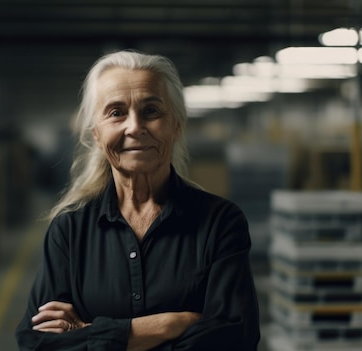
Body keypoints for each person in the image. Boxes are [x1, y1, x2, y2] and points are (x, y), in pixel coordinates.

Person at [16, 50, 260, 350]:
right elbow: (35, 342)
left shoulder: (220, 222)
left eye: (151, 111)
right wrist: (168, 325)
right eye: (116, 112)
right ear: (96, 132)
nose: (134, 127)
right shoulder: (69, 230)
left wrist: (91, 335)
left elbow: (235, 338)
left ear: (176, 125)